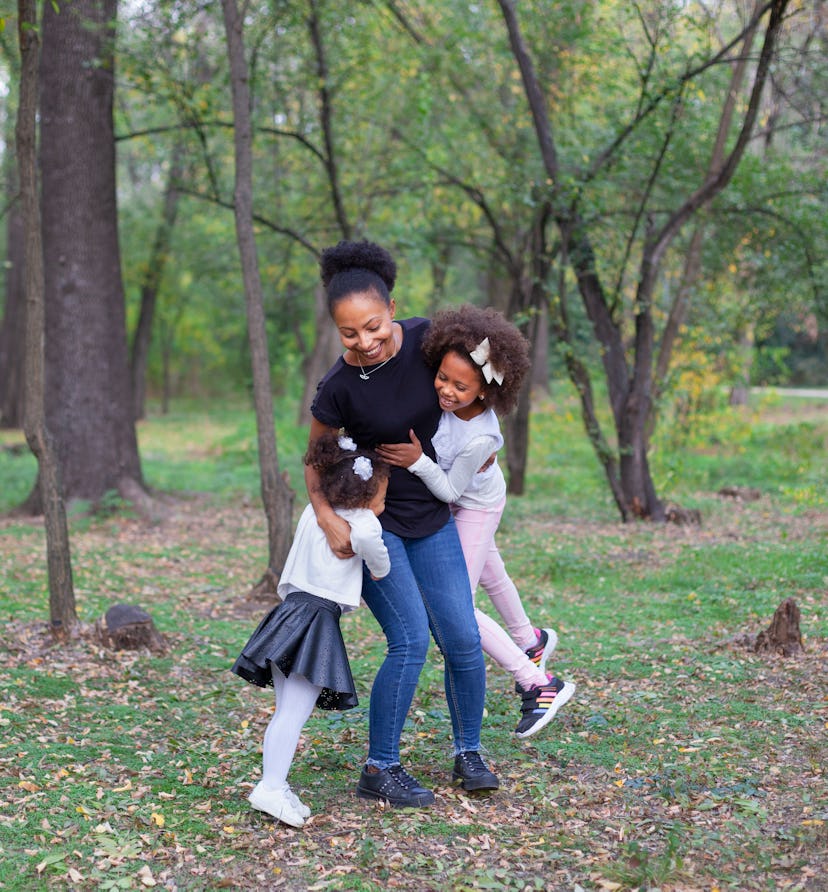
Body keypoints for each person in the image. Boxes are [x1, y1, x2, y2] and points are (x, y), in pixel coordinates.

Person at [307, 239, 499, 809]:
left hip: (434, 517)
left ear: (392, 307)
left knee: (463, 639)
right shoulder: (337, 389)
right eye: (348, 333)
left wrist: (487, 441)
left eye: (371, 326)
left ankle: (469, 752)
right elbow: (315, 463)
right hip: (375, 523)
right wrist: (327, 519)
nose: (363, 342)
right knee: (411, 641)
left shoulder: (428, 340)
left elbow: (491, 371)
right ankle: (379, 768)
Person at [377, 305, 575, 739]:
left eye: (460, 386)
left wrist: (417, 461)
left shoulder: (481, 437)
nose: (446, 390)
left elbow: (448, 489)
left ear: (485, 393)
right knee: (490, 572)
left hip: (473, 503)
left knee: (456, 607)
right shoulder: (443, 396)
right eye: (443, 378)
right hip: (465, 500)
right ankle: (530, 639)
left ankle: (538, 683)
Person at [231, 432, 391, 828]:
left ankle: (277, 783)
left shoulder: (313, 512)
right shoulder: (366, 525)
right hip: (315, 621)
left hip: (290, 612)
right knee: (293, 714)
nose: (384, 503)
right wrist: (375, 564)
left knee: (285, 711)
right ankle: (269, 787)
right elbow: (381, 564)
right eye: (383, 495)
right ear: (367, 494)